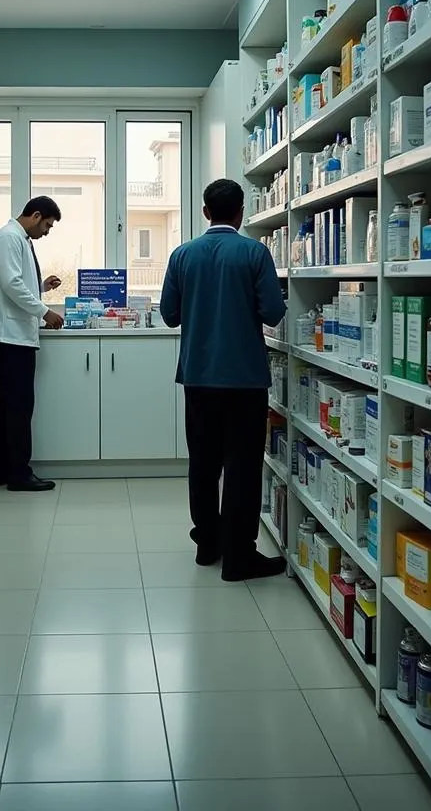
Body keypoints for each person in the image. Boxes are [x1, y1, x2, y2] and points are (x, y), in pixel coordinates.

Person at [160, 178, 287, 581]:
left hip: (197, 379)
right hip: (245, 381)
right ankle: (239, 557)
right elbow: (273, 313)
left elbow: (169, 315)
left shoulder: (182, 255)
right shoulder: (254, 252)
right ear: (241, 212)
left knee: (203, 465)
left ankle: (207, 545)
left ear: (204, 212)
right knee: (243, 468)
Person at [0, 196, 64, 492]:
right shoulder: (9, 238)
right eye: (47, 226)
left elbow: (15, 283)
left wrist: (41, 288)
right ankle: (19, 474)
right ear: (36, 215)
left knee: (6, 404)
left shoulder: (18, 239)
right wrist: (45, 311)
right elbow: (11, 285)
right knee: (19, 407)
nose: (47, 232)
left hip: (10, 333)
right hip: (9, 336)